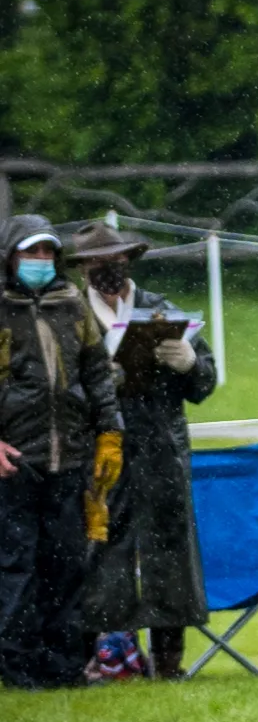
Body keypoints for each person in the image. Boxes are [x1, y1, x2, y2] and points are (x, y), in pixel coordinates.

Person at [68, 222, 216, 680]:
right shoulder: (70, 316)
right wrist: (95, 383)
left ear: (130, 259)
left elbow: (205, 383)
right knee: (101, 549)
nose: (107, 269)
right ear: (83, 268)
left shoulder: (159, 310)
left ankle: (170, 662)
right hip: (99, 453)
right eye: (96, 262)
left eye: (115, 259)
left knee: (170, 550)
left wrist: (190, 363)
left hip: (160, 450)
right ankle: (105, 657)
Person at [0, 215, 122, 689]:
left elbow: (97, 373)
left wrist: (110, 432)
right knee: (16, 567)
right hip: (15, 462)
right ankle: (15, 667)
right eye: (30, 252)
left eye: (47, 252)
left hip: (69, 458)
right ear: (11, 256)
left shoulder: (72, 305)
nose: (39, 261)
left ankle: (64, 666)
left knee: (66, 564)